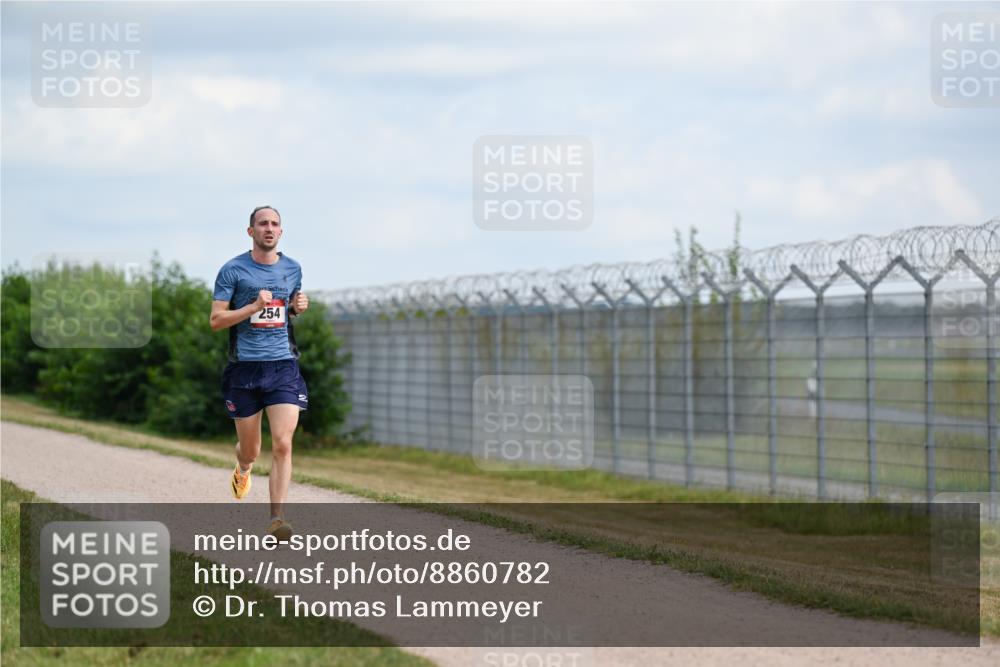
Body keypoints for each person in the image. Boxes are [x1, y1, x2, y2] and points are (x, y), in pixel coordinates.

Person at [210, 205, 309, 541]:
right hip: (244, 370)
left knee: (283, 443)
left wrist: (296, 307)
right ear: (250, 231)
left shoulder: (293, 268)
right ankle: (243, 467)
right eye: (263, 223)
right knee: (251, 449)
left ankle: (277, 519)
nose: (269, 228)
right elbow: (216, 321)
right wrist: (252, 307)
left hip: (283, 366)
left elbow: (285, 311)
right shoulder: (232, 271)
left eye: (275, 224)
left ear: (281, 231)